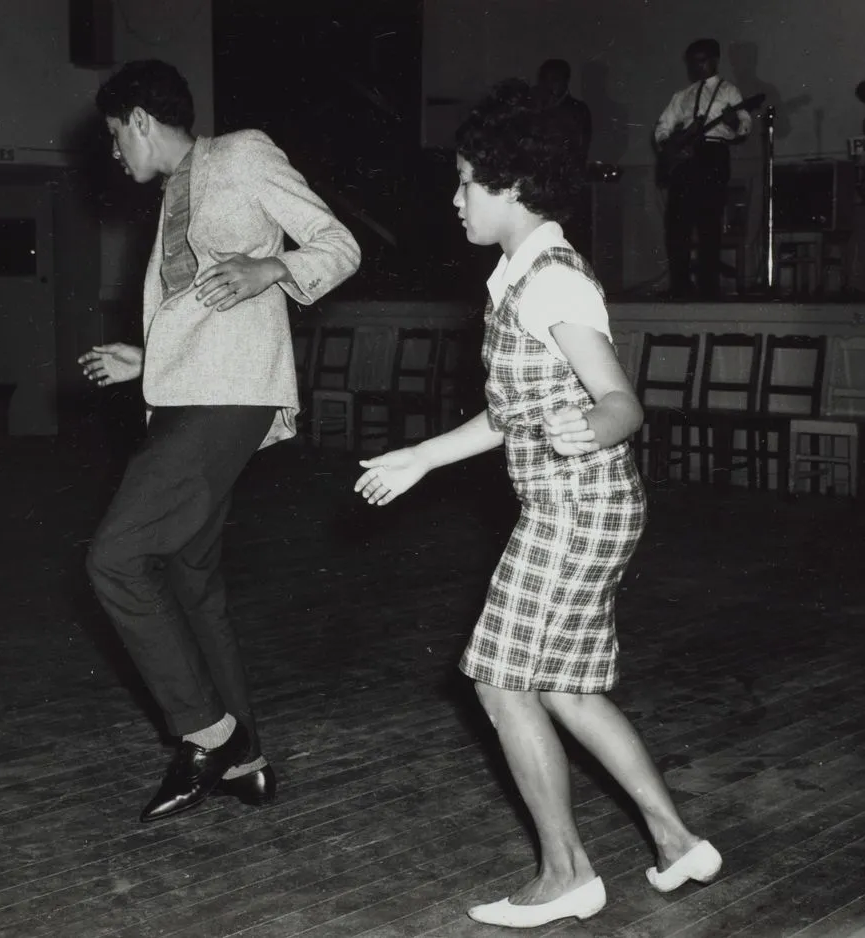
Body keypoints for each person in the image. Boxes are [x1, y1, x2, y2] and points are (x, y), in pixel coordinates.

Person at [354, 78, 720, 928]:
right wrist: (419, 457)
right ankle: (675, 842)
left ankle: (567, 875)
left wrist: (582, 430)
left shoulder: (552, 281)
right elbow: (505, 413)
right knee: (566, 687)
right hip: (584, 507)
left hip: (576, 507)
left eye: (466, 182)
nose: (454, 199)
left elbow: (622, 404)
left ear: (512, 187)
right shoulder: (516, 276)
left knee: (496, 679)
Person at [79, 59, 360, 823]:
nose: (114, 153)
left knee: (115, 558)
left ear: (140, 120)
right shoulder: (174, 191)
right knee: (193, 579)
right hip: (187, 391)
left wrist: (274, 265)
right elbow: (198, 308)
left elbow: (339, 245)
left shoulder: (240, 155)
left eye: (114, 136)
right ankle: (250, 765)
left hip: (229, 398)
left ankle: (208, 736)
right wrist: (146, 360)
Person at [654, 38, 752, 300]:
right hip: (685, 160)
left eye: (701, 60)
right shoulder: (681, 95)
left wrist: (732, 124)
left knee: (709, 222)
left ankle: (709, 287)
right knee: (678, 224)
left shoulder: (730, 91)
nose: (696, 67)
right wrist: (672, 145)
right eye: (692, 62)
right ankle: (681, 285)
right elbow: (662, 127)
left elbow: (744, 125)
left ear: (714, 60)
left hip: (713, 155)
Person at [536, 58, 592, 167]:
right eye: (544, 79)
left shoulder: (579, 110)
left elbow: (581, 148)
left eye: (554, 79)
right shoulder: (532, 107)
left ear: (566, 81)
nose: (548, 84)